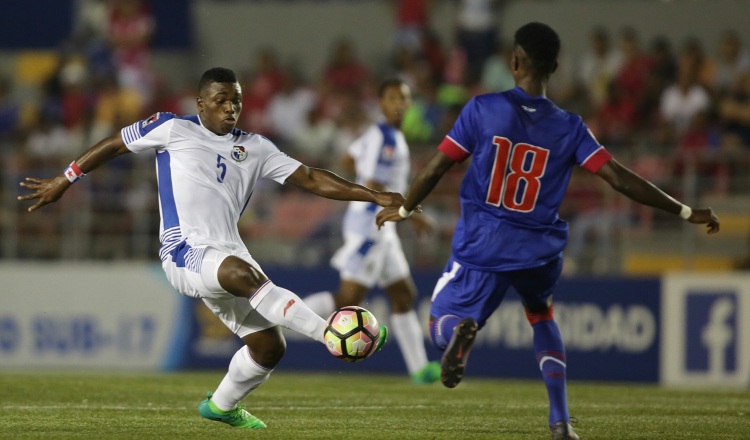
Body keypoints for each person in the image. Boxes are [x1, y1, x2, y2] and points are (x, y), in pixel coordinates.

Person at [376, 22, 720, 440]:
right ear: (554, 66)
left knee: (439, 323)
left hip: (483, 244)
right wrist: (685, 210)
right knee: (541, 315)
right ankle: (560, 422)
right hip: (539, 249)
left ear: (514, 62)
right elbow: (618, 178)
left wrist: (407, 207)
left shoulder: (482, 109)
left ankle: (459, 336)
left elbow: (437, 166)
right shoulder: (570, 126)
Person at [18, 67, 400, 430]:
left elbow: (313, 178)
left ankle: (221, 405)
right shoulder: (172, 127)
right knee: (244, 275)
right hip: (184, 252)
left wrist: (374, 195)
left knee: (269, 347)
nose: (230, 108)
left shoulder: (256, 147)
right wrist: (65, 179)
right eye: (220, 100)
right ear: (200, 103)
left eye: (236, 101)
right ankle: (332, 336)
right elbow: (116, 143)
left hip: (228, 253)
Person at [303, 78, 440, 384]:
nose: (400, 104)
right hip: (372, 224)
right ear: (381, 103)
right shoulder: (387, 139)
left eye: (404, 99)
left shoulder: (376, 134)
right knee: (346, 299)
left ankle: (419, 370)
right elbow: (376, 183)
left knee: (404, 294)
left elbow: (349, 158)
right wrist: (411, 213)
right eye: (393, 98)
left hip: (383, 226)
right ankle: (275, 317)